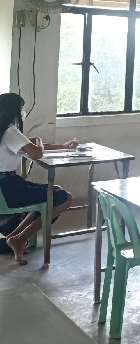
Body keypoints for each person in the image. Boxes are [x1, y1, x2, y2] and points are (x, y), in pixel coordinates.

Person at [0, 92, 76, 264]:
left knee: (53, 192)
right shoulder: (10, 131)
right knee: (64, 197)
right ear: (14, 110)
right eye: (21, 108)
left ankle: (14, 237)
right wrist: (39, 140)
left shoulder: (4, 130)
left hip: (6, 186)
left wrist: (63, 146)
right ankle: (20, 239)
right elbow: (37, 152)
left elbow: (29, 146)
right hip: (9, 189)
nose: (23, 112)